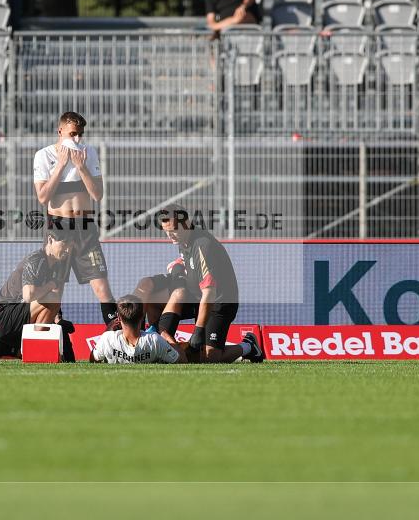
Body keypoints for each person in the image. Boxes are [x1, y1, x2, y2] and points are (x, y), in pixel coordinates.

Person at [133, 205, 264, 363]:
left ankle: (249, 346)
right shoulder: (184, 238)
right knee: (154, 299)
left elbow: (209, 293)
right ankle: (158, 341)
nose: (170, 236)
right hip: (196, 297)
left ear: (186, 223)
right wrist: (179, 262)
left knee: (210, 357)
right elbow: (192, 261)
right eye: (166, 231)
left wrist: (199, 330)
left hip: (219, 303)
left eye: (173, 231)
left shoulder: (203, 245)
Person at [33, 112, 118, 328]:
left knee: (102, 287)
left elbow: (97, 194)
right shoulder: (44, 155)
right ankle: (51, 336)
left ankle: (118, 334)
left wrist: (81, 167)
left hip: (84, 227)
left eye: (80, 134)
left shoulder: (88, 153)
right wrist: (61, 165)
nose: (77, 139)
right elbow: (43, 197)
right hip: (58, 228)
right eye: (73, 134)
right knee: (54, 288)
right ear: (60, 131)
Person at [0, 229, 75, 362]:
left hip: (21, 318)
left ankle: (5, 348)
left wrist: (59, 321)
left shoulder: (61, 265)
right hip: (1, 317)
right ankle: (32, 346)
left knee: (53, 302)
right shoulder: (36, 258)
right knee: (51, 300)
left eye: (71, 245)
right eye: (64, 243)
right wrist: (51, 285)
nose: (68, 249)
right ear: (50, 240)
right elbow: (29, 295)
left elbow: (55, 299)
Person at [90, 295, 184, 364]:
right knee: (177, 295)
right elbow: (181, 360)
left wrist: (107, 331)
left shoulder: (107, 339)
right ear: (142, 317)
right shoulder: (155, 340)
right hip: (151, 337)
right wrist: (168, 338)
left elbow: (92, 359)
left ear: (118, 317)